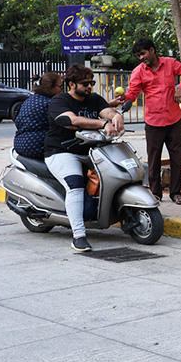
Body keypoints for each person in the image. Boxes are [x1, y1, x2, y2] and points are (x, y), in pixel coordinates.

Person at [44, 64, 125, 252]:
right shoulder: (59, 101)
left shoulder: (94, 99)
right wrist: (103, 123)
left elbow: (107, 111)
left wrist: (115, 116)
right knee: (75, 184)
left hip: (90, 151)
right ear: (71, 84)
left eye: (92, 83)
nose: (90, 87)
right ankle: (78, 236)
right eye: (85, 83)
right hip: (61, 152)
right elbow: (73, 120)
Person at [120, 38, 181, 205]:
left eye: (143, 53)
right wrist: (123, 99)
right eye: (138, 56)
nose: (141, 58)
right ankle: (155, 194)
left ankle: (176, 193)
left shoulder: (170, 63)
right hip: (153, 122)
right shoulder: (138, 71)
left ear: (152, 50)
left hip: (174, 120)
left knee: (177, 158)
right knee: (153, 160)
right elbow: (132, 93)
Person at [14, 72, 64, 159]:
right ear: (50, 87)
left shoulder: (30, 100)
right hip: (36, 146)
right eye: (60, 87)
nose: (62, 90)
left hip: (19, 144)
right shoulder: (50, 103)